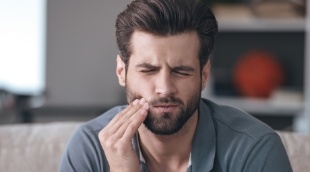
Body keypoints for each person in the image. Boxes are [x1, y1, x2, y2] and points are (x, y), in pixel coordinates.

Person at [60, 0, 293, 171]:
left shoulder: (254, 148)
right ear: (122, 72)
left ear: (204, 74)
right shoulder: (89, 148)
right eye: (148, 70)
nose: (164, 88)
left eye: (181, 71)